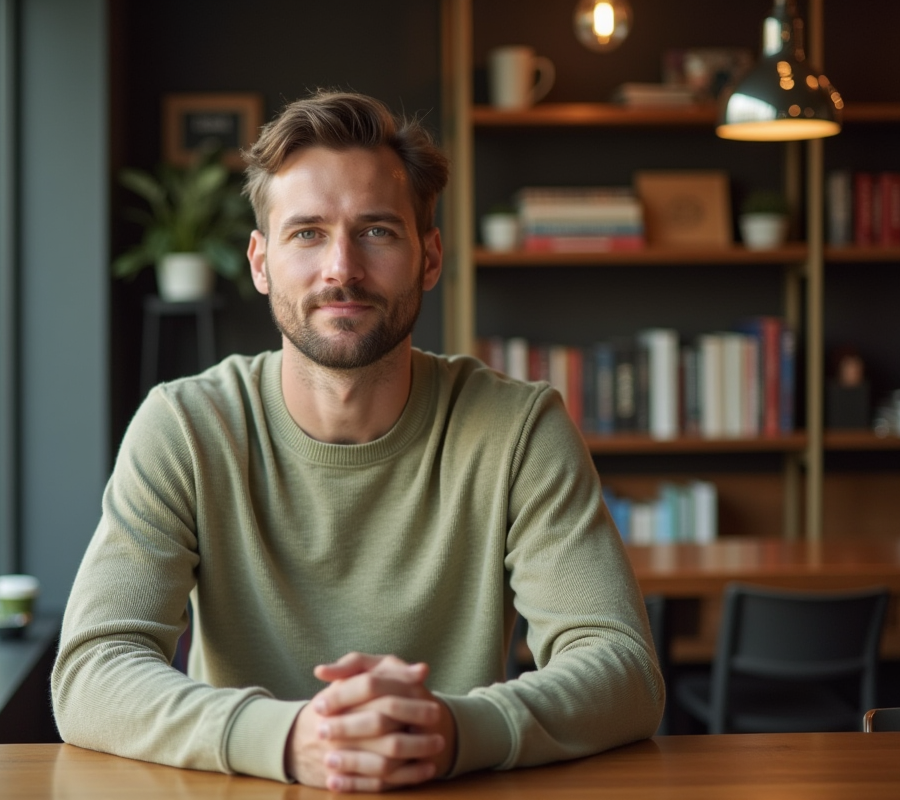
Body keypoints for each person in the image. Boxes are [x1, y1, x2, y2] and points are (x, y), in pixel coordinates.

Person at [51, 90, 664, 793]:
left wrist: (451, 730)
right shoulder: (186, 428)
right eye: (307, 233)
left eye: (376, 231)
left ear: (429, 256)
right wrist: (290, 739)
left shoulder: (520, 430)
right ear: (260, 262)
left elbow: (623, 668)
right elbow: (91, 672)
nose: (341, 268)